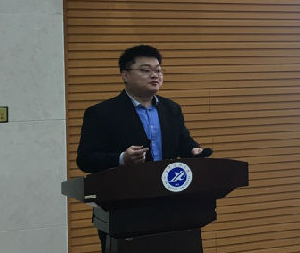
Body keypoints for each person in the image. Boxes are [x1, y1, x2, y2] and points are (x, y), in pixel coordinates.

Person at [76, 44, 204, 173]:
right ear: (125, 75)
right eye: (145, 70)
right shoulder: (101, 113)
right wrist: (122, 158)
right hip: (126, 184)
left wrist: (192, 150)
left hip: (167, 183)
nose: (154, 75)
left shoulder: (171, 109)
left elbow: (183, 142)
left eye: (158, 70)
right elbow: (85, 160)